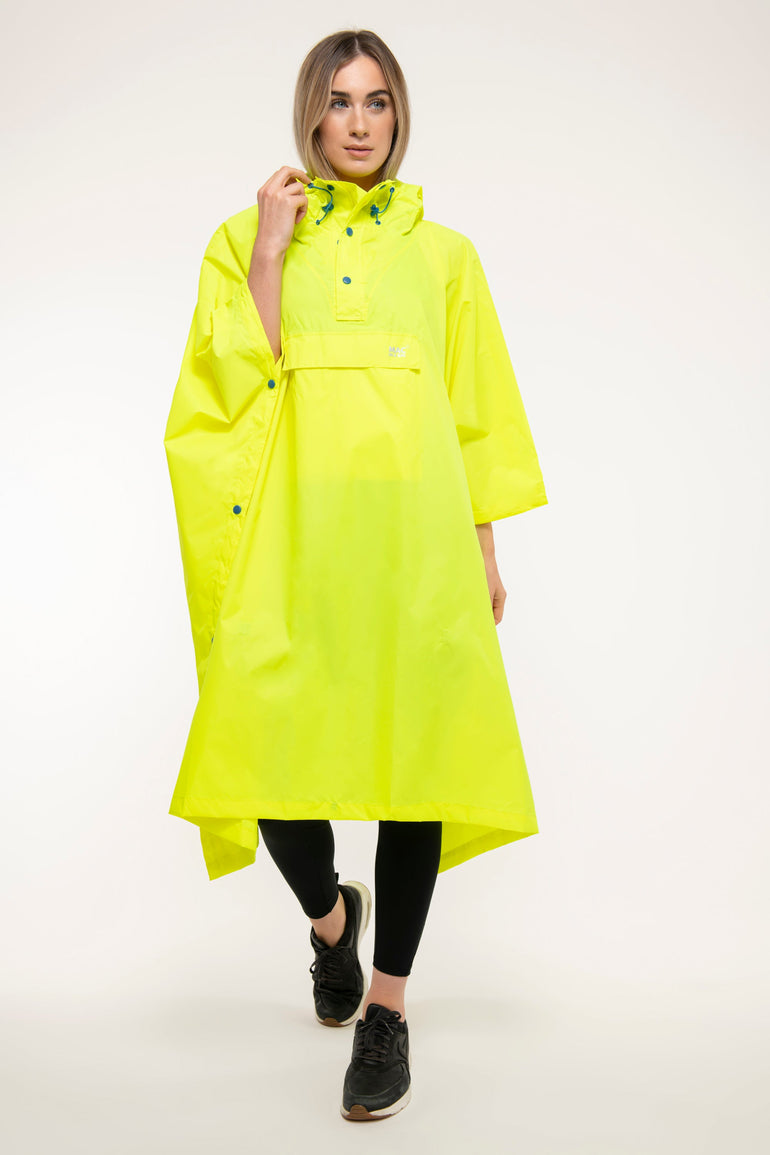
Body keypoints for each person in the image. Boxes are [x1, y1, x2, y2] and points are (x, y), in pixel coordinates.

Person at [163, 28, 548, 1122]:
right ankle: (332, 921)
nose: (361, 121)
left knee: (415, 770)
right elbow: (233, 388)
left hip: (415, 547)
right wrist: (270, 255)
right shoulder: (245, 238)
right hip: (292, 542)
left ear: (398, 113)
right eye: (339, 101)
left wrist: (483, 547)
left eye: (377, 100)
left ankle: (386, 1007)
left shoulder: (445, 255)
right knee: (266, 762)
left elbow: (473, 412)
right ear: (310, 114)